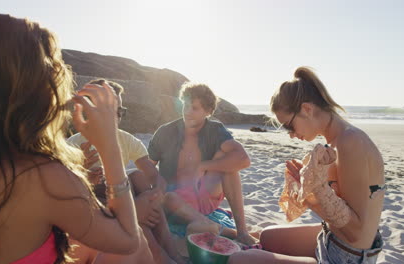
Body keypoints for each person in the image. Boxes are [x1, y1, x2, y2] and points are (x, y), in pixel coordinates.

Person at [0, 14, 151, 264]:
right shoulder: (41, 175)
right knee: (136, 247)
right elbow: (127, 238)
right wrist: (109, 144)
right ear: (36, 89)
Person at [229, 67, 385, 264]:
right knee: (268, 236)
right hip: (333, 239)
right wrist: (308, 191)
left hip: (345, 257)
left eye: (289, 126)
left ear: (307, 109)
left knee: (239, 260)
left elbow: (356, 232)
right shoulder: (335, 141)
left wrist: (316, 188)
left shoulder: (350, 142)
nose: (291, 134)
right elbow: (337, 216)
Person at [67, 79, 184, 264]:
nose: (116, 117)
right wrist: (83, 173)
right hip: (94, 203)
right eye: (109, 110)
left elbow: (153, 174)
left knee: (138, 177)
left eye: (120, 111)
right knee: (137, 219)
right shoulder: (74, 144)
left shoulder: (126, 140)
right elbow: (68, 194)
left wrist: (156, 193)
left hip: (120, 194)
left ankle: (173, 253)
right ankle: (163, 259)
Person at [148, 82, 257, 246]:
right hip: (175, 201)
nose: (187, 112)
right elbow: (148, 167)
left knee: (229, 164)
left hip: (204, 195)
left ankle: (241, 231)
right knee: (169, 198)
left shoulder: (215, 130)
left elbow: (243, 159)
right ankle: (221, 229)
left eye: (195, 108)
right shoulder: (165, 131)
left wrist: (203, 166)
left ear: (207, 111)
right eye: (185, 105)